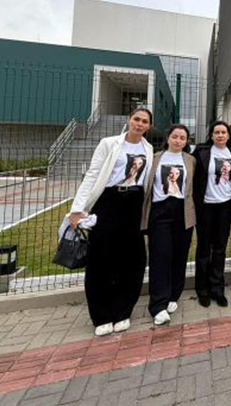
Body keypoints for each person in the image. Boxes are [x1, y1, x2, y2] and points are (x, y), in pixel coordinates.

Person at [68, 108, 154, 337]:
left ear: (149, 126)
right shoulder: (109, 144)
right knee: (101, 258)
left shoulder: (148, 148)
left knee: (133, 259)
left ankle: (123, 310)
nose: (139, 124)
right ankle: (102, 315)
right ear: (129, 120)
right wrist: (77, 209)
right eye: (136, 119)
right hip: (109, 201)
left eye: (144, 121)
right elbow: (92, 174)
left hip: (134, 203)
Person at [141, 124, 196, 326]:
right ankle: (158, 305)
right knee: (160, 256)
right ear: (168, 137)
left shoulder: (190, 160)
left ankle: (174, 294)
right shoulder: (155, 157)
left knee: (180, 255)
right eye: (175, 136)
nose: (178, 140)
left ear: (186, 141)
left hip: (183, 212)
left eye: (182, 138)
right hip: (160, 211)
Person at [192, 121, 231, 308]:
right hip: (206, 207)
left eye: (223, 132)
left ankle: (217, 289)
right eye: (217, 132)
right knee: (204, 249)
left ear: (228, 135)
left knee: (220, 249)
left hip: (225, 208)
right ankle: (202, 289)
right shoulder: (202, 152)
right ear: (211, 135)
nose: (220, 135)